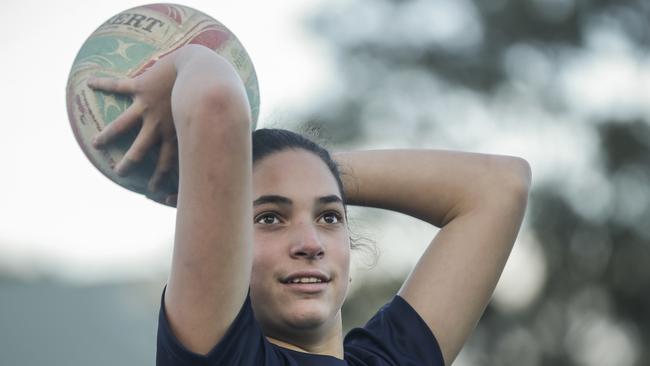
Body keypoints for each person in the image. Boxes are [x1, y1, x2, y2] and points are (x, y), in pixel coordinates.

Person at [88, 44, 531, 366]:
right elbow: (215, 103)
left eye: (329, 216)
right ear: (226, 245)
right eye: (269, 217)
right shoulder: (226, 355)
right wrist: (186, 58)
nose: (310, 243)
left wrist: (305, 166)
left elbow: (500, 185)